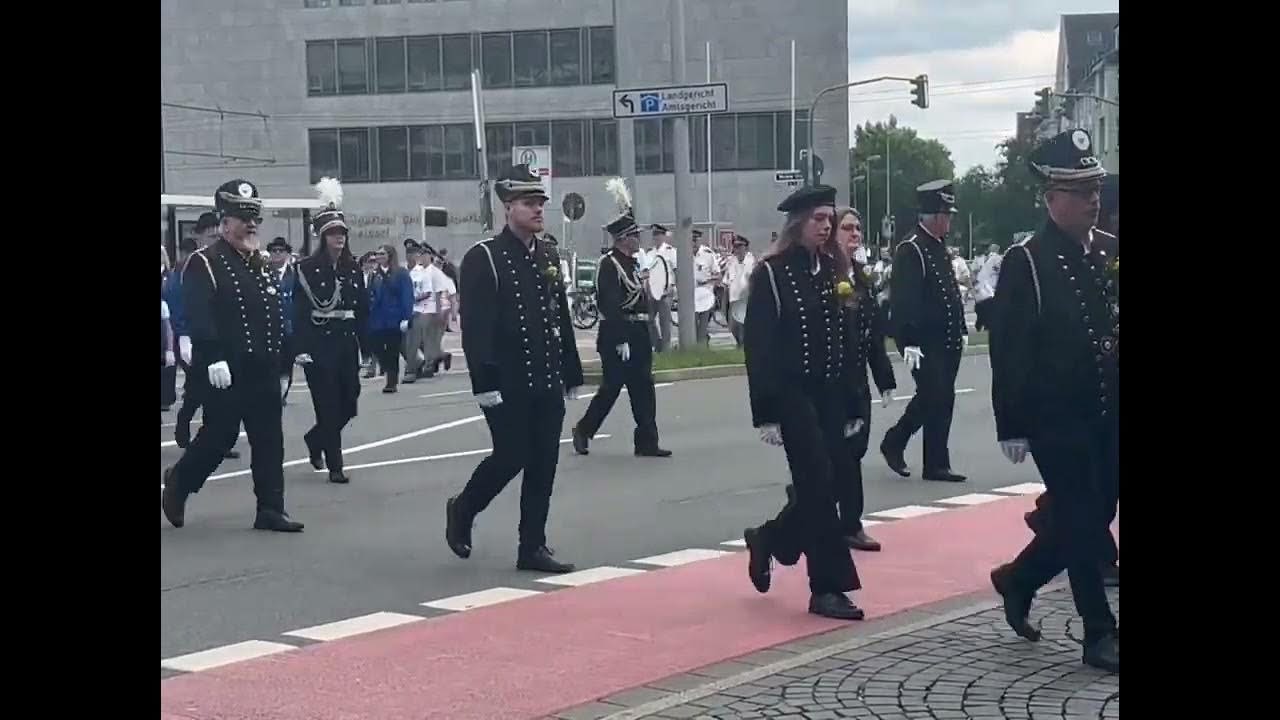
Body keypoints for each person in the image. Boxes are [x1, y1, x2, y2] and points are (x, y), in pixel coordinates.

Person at [988, 128, 1119, 673]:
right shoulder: (1029, 260)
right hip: (1055, 414)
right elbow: (1010, 346)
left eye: (1095, 187)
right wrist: (1012, 422)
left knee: (1092, 511)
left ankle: (1019, 578)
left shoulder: (1109, 251)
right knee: (1084, 518)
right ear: (1051, 199)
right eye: (1080, 190)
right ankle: (1099, 632)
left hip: (1106, 407)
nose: (1093, 199)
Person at [445, 165, 585, 574]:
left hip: (545, 375)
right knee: (511, 455)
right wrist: (483, 382)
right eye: (529, 203)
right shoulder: (484, 257)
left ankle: (532, 545)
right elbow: (477, 327)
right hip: (505, 379)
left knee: (544, 461)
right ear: (508, 208)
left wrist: (570, 369)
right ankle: (463, 508)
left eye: (541, 202)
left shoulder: (546, 253)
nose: (539, 209)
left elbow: (558, 315)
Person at [740, 184, 868, 620]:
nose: (827, 225)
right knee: (817, 483)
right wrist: (766, 413)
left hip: (830, 392)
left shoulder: (834, 268)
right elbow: (759, 347)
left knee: (828, 483)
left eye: (830, 218)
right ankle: (827, 588)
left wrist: (854, 402)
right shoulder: (772, 273)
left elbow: (848, 340)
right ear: (797, 223)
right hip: (792, 394)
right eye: (818, 218)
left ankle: (770, 538)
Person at [161, 180, 303, 532]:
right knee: (219, 436)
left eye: (254, 217)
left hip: (263, 366)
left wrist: (286, 357)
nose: (251, 225)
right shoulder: (204, 262)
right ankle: (179, 483)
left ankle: (271, 507)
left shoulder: (261, 262)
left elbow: (273, 314)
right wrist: (213, 357)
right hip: (227, 366)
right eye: (243, 217)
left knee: (270, 437)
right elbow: (199, 312)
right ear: (225, 224)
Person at [571, 179, 671, 459]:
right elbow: (609, 304)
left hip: (639, 330)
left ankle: (647, 442)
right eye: (635, 234)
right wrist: (620, 339)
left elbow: (643, 299)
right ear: (623, 238)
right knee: (612, 387)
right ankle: (584, 430)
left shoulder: (635, 264)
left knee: (644, 388)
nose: (639, 239)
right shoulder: (609, 264)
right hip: (618, 333)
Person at [879, 180, 968, 483]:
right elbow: (906, 300)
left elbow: (950, 292)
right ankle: (897, 442)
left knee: (942, 398)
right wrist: (910, 340)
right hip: (923, 341)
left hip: (946, 339)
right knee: (934, 393)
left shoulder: (938, 246)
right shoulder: (912, 248)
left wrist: (961, 327)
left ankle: (934, 461)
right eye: (947, 215)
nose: (950, 220)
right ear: (933, 216)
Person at [293, 178, 368, 485]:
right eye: (333, 233)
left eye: (342, 233)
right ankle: (335, 466)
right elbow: (298, 311)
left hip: (346, 344)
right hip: (318, 344)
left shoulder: (352, 267)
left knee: (349, 402)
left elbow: (362, 308)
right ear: (323, 237)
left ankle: (316, 438)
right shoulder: (307, 268)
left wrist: (367, 345)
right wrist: (299, 347)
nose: (339, 237)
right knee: (327, 404)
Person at [831, 207, 896, 551]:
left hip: (857, 383)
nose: (855, 234)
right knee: (837, 458)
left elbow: (873, 336)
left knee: (853, 453)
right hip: (831, 384)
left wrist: (884, 379)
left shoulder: (861, 276)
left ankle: (846, 522)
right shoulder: (824, 274)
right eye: (847, 228)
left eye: (857, 228)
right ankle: (846, 523)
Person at [367, 243, 414, 393]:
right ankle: (387, 368)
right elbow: (370, 294)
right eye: (377, 254)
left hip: (395, 318)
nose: (379, 257)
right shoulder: (375, 274)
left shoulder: (401, 273)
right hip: (378, 319)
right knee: (377, 347)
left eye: (382, 254)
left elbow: (407, 296)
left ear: (390, 256)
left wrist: (406, 318)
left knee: (393, 350)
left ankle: (391, 382)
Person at [266, 237, 298, 403]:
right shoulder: (264, 272)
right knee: (272, 362)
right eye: (274, 251)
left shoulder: (296, 274)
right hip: (270, 327)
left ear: (287, 254)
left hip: (290, 326)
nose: (277, 254)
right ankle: (274, 392)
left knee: (287, 362)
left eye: (281, 251)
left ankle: (283, 390)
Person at [642, 224, 677, 352]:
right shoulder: (650, 253)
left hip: (666, 291)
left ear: (663, 236)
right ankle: (657, 344)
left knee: (664, 322)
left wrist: (674, 288)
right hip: (651, 291)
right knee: (649, 320)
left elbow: (676, 271)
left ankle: (666, 349)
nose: (656, 237)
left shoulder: (670, 252)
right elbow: (646, 272)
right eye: (654, 235)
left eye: (658, 235)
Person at [721, 235, 755, 347]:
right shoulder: (731, 262)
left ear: (746, 248)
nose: (737, 250)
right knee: (733, 327)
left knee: (745, 328)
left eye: (740, 246)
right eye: (735, 247)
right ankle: (740, 345)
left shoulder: (753, 262)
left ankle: (745, 347)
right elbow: (726, 281)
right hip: (733, 299)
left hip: (747, 301)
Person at [692, 230, 719, 345]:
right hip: (690, 293)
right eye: (691, 240)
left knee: (703, 323)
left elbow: (717, 274)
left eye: (695, 240)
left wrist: (707, 281)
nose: (693, 243)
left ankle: (702, 345)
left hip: (705, 292)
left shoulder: (708, 254)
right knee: (691, 324)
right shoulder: (683, 253)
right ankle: (695, 345)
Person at [973, 243, 1002, 333]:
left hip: (981, 288)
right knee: (991, 310)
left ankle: (981, 325)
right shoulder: (997, 258)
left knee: (982, 309)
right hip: (991, 288)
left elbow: (975, 272)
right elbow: (1000, 269)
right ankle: (987, 326)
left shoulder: (983, 259)